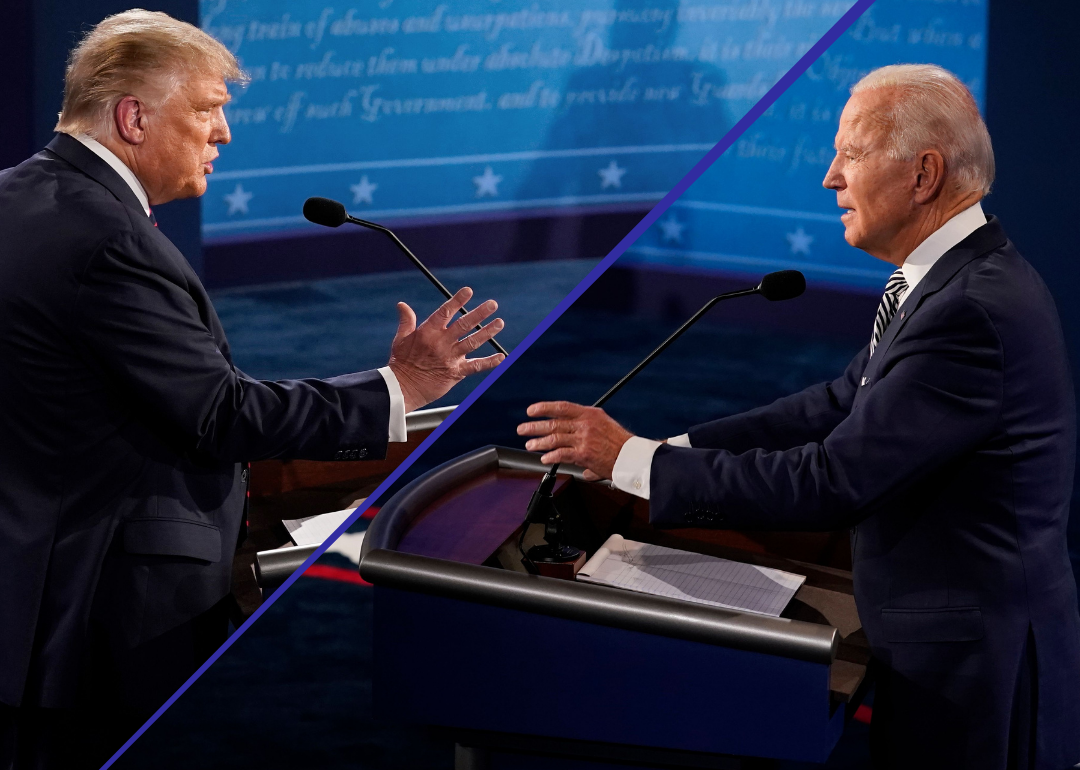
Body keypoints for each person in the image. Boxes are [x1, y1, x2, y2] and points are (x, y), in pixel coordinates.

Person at [518, 64, 1080, 769]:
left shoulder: (969, 309)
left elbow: (837, 479)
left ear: (923, 174)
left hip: (975, 674)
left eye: (850, 153)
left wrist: (635, 463)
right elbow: (837, 405)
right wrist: (657, 452)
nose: (829, 176)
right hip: (951, 649)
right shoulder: (948, 281)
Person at [0, 9, 504, 768]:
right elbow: (220, 414)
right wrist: (398, 385)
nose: (224, 135)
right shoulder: (109, 241)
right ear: (134, 117)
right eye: (207, 111)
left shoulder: (16, 196)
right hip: (104, 606)